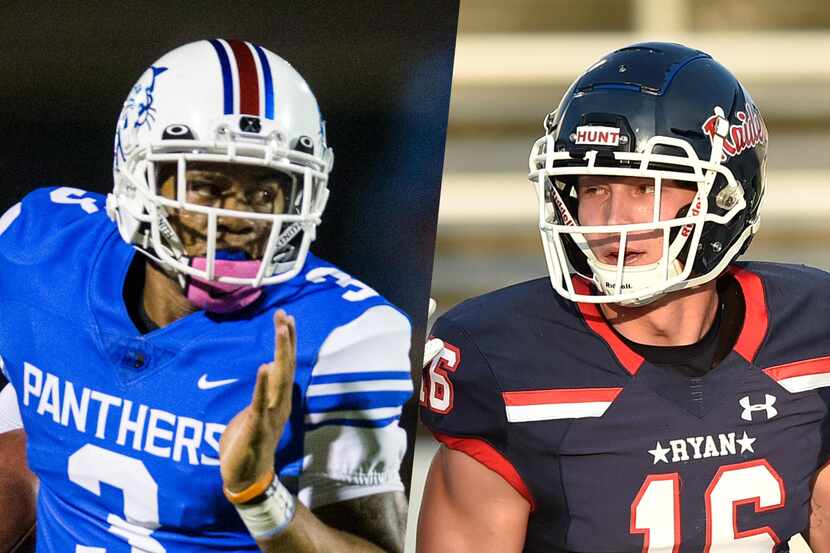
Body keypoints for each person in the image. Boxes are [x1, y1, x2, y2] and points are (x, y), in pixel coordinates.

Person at [0, 39, 413, 552]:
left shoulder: (341, 334)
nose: (238, 219)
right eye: (208, 187)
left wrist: (258, 495)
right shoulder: (39, 249)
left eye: (264, 192)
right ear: (139, 178)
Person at [417, 41, 830, 552]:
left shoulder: (812, 329)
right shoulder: (505, 359)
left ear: (725, 196)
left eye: (645, 187)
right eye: (594, 189)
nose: (614, 222)